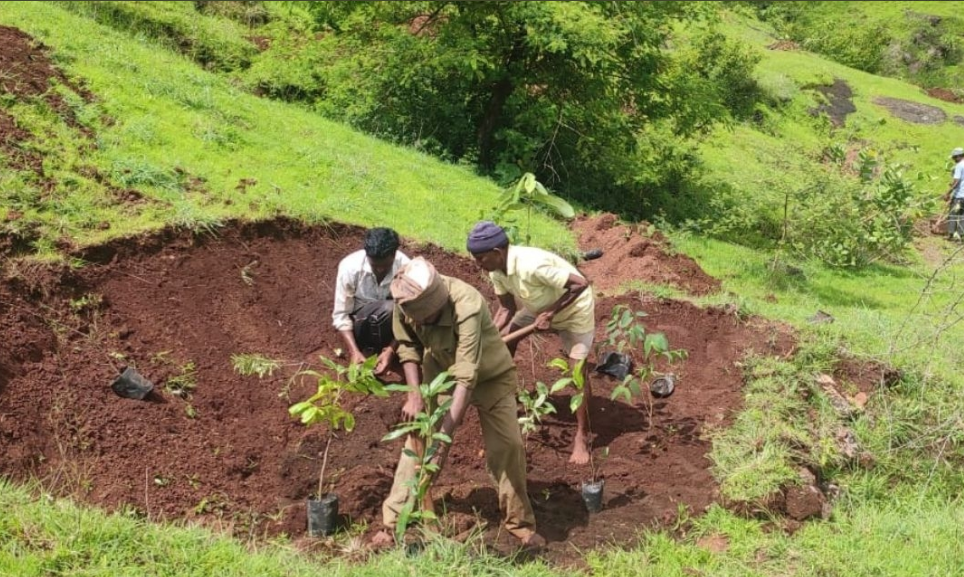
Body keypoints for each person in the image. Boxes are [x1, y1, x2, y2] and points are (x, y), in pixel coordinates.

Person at [373, 257, 545, 550]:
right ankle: (392, 524)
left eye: (426, 318)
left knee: (508, 446)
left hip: (491, 376)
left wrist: (444, 441)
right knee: (418, 442)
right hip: (440, 370)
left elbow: (467, 377)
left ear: (435, 305)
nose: (422, 322)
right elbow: (409, 348)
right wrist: (414, 396)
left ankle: (520, 525)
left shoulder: (468, 304)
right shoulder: (404, 302)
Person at [467, 221, 596, 465]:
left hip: (574, 311)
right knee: (503, 344)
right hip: (537, 308)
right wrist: (489, 338)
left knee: (577, 371)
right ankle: (501, 393)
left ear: (497, 253)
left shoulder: (532, 265)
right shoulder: (497, 271)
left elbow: (581, 283)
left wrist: (551, 313)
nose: (477, 264)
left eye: (481, 258)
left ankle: (582, 435)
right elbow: (506, 309)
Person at [331, 227, 410, 374]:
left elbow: (411, 313)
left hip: (394, 323)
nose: (380, 270)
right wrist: (354, 351)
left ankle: (388, 350)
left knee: (393, 308)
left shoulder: (406, 268)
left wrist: (391, 350)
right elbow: (341, 315)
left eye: (385, 266)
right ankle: (366, 350)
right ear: (367, 255)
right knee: (388, 308)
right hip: (360, 322)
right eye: (375, 265)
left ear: (394, 255)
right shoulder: (350, 268)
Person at [945, 147, 964, 241]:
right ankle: (960, 236)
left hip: (959, 196)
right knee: (962, 216)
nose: (954, 159)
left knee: (953, 214)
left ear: (959, 156)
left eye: (954, 157)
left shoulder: (959, 166)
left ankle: (951, 234)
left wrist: (948, 193)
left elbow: (956, 181)